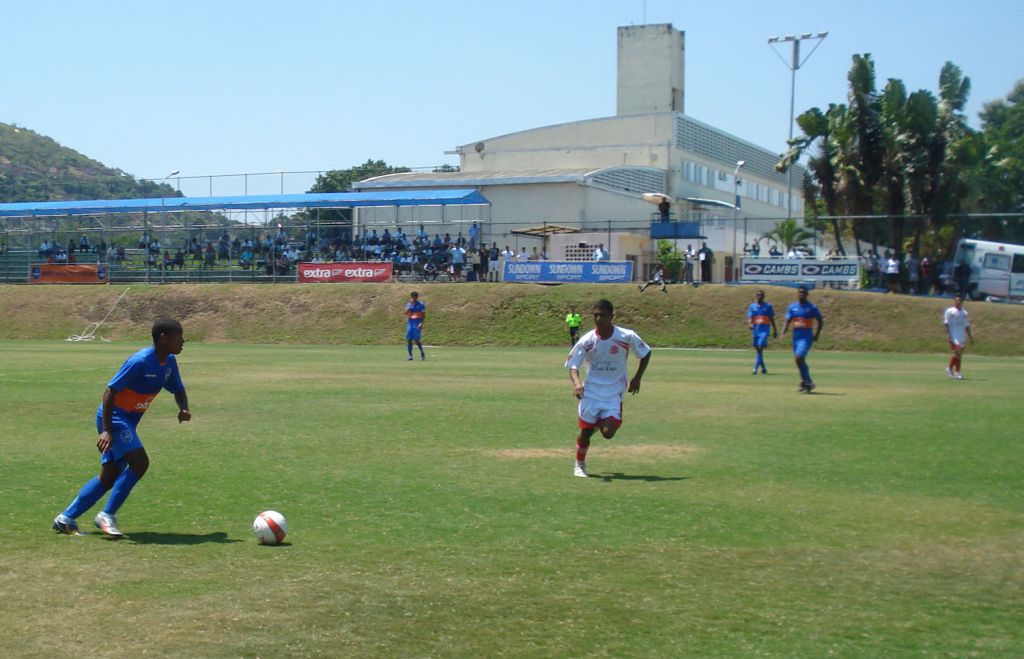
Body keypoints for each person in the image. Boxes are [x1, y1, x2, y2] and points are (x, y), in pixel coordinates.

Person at [52, 318, 191, 537]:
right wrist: (106, 430)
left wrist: (184, 408)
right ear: (163, 338)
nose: (183, 340)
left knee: (109, 476)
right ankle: (106, 515)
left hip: (128, 421)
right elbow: (110, 392)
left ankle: (65, 518)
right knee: (140, 462)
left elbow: (178, 389)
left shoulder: (169, 362)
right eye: (179, 336)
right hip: (114, 418)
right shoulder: (140, 361)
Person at [565, 299, 651, 478]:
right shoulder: (587, 340)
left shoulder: (626, 336)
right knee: (585, 434)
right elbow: (572, 365)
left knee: (608, 433)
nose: (598, 318)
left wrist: (637, 378)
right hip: (592, 393)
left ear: (612, 316)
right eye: (595, 315)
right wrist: (577, 383)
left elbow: (646, 352)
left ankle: (598, 424)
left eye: (602, 315)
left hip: (613, 393)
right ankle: (579, 464)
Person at [781, 285, 824, 393]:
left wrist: (817, 334)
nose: (801, 294)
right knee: (799, 361)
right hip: (796, 337)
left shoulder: (812, 307)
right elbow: (788, 319)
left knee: (799, 358)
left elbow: (820, 321)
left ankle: (808, 382)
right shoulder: (792, 307)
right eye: (800, 292)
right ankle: (805, 382)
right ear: (797, 293)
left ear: (807, 294)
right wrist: (784, 330)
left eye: (804, 292)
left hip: (806, 337)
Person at [747, 289, 778, 375]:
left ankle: (755, 368)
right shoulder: (752, 306)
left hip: (764, 330)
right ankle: (763, 368)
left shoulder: (768, 306)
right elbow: (750, 317)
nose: (759, 296)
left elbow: (772, 319)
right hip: (756, 330)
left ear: (763, 296)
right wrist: (750, 324)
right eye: (758, 294)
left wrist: (775, 330)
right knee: (758, 350)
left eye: (761, 295)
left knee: (760, 347)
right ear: (756, 296)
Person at [944, 295, 973, 380]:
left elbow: (966, 326)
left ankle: (950, 368)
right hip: (953, 335)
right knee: (958, 353)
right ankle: (957, 372)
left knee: (959, 355)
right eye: (956, 300)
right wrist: (949, 335)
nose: (958, 302)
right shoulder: (950, 311)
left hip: (961, 336)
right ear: (954, 301)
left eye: (960, 301)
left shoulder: (964, 313)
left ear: (962, 302)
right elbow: (946, 323)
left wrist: (970, 337)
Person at [404, 291, 426, 361]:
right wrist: (410, 306)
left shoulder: (421, 304)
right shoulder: (409, 304)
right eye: (412, 297)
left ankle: (422, 352)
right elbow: (405, 313)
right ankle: (410, 355)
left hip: (417, 323)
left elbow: (423, 315)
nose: (414, 299)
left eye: (415, 297)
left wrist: (421, 323)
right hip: (410, 323)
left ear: (417, 297)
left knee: (417, 340)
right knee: (409, 339)